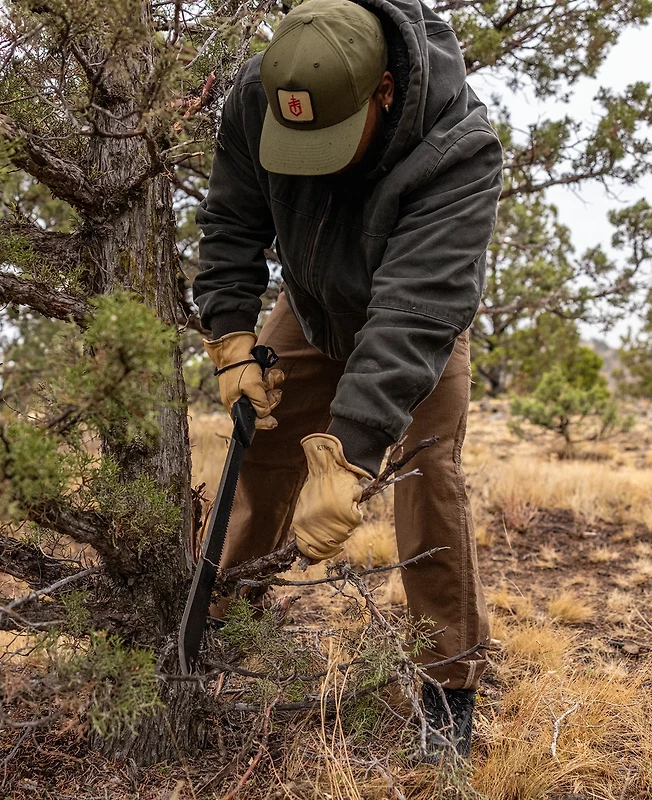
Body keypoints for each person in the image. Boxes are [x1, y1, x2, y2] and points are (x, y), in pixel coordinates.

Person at [192, 0, 502, 759]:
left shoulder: (459, 146)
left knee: (425, 474)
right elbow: (232, 221)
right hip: (309, 307)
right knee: (259, 450)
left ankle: (447, 689)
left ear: (384, 91)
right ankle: (215, 632)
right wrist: (231, 336)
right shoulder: (262, 93)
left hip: (415, 322)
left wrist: (350, 453)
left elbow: (413, 315)